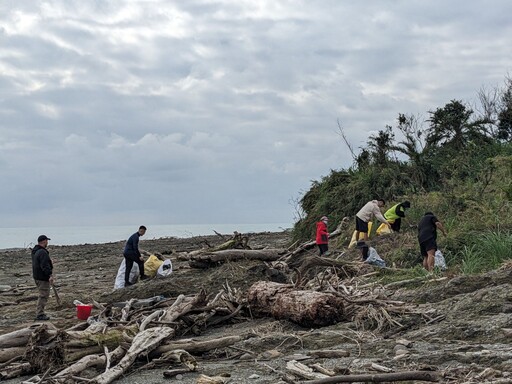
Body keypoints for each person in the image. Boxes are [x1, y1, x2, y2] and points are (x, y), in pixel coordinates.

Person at [32, 235, 53, 321]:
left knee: (43, 294)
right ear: (44, 241)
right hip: (42, 277)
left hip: (37, 276)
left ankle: (40, 313)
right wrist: (49, 275)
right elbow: (44, 266)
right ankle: (40, 314)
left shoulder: (35, 251)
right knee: (43, 295)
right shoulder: (42, 252)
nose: (47, 242)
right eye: (47, 241)